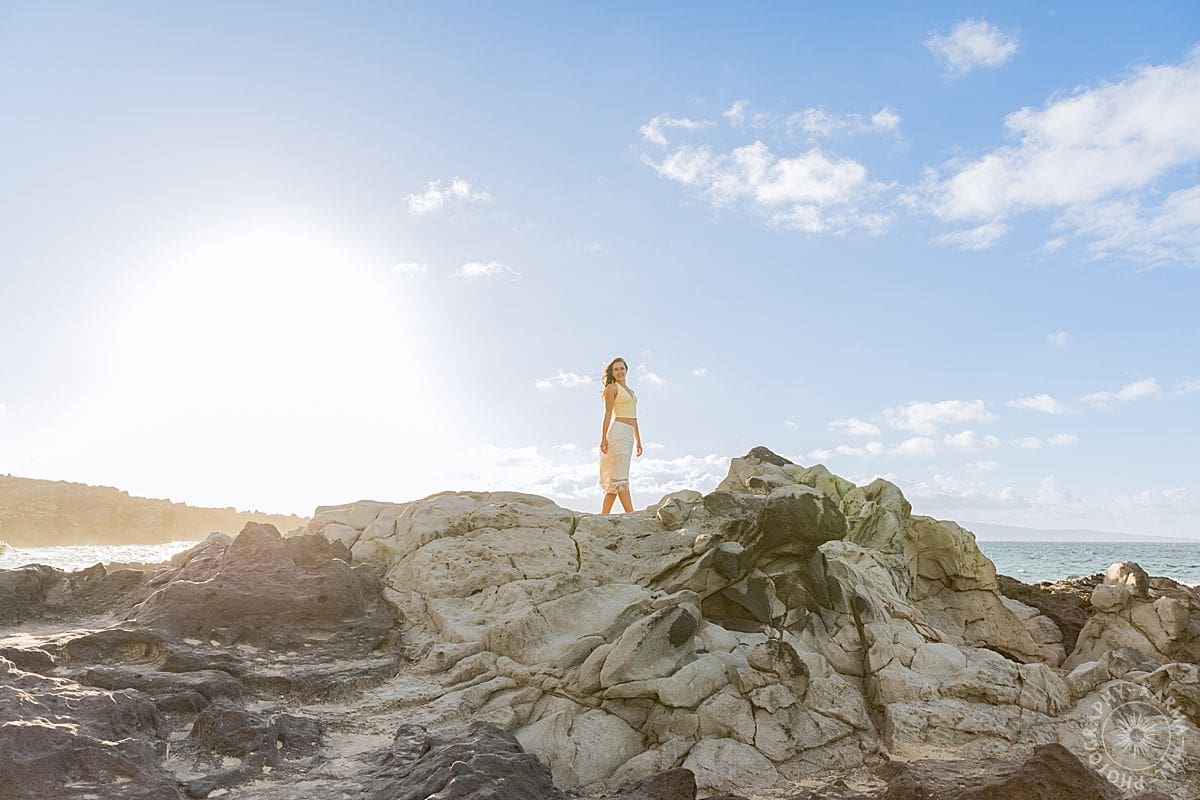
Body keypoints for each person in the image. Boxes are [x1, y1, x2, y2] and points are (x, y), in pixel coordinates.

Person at [598, 356, 643, 513]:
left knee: (616, 478)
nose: (619, 371)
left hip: (629, 435)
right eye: (616, 369)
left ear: (626, 370)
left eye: (621, 368)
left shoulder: (631, 392)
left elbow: (634, 417)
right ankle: (631, 514)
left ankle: (603, 516)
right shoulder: (612, 388)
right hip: (618, 432)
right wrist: (603, 438)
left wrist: (638, 440)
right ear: (612, 372)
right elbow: (608, 412)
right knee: (621, 476)